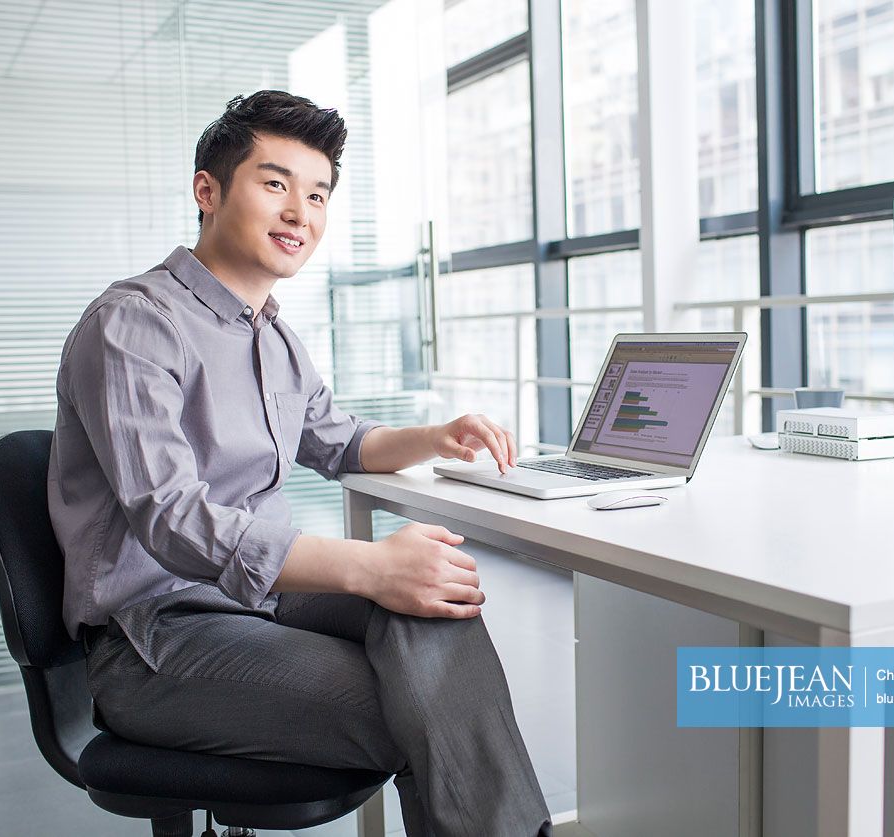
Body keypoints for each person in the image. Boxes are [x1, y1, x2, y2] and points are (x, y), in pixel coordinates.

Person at [47, 90, 552, 837]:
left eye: (316, 194)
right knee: (431, 714)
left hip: (258, 601)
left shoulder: (273, 336)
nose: (300, 212)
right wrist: (366, 564)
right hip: (154, 636)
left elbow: (339, 439)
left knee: (435, 601)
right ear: (207, 190)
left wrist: (434, 435)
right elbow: (170, 516)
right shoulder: (132, 325)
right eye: (276, 183)